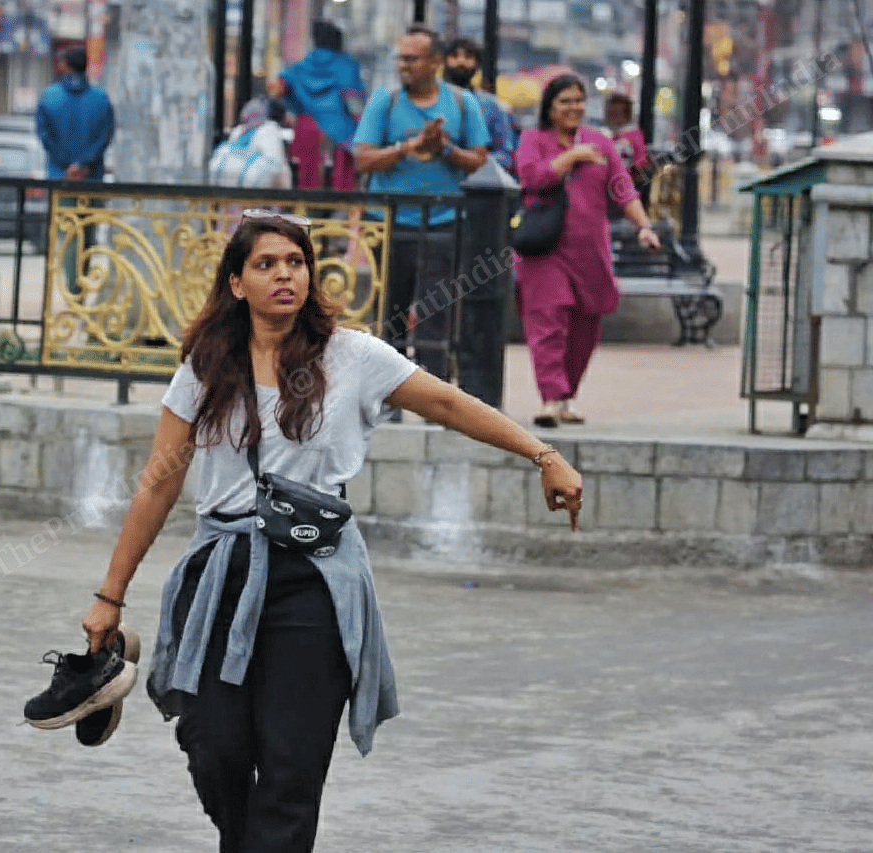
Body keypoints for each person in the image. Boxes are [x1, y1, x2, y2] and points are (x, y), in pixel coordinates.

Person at [81, 210, 584, 853]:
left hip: (315, 580)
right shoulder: (207, 367)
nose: (284, 276)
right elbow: (157, 484)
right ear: (237, 283)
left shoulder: (354, 356)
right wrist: (110, 594)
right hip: (222, 574)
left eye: (295, 263)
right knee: (213, 747)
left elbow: (451, 404)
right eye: (265, 264)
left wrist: (543, 454)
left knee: (292, 771)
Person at [514, 75, 662, 428]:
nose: (573, 107)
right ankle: (550, 397)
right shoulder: (533, 138)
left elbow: (623, 190)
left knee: (585, 326)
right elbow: (531, 178)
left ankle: (566, 397)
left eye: (579, 100)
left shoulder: (601, 143)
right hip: (544, 249)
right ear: (549, 106)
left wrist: (644, 226)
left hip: (590, 251)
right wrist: (571, 157)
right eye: (565, 101)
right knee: (548, 320)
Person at [352, 24, 490, 383]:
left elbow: (479, 160)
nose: (404, 66)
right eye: (401, 58)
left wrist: (443, 149)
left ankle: (433, 392)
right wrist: (410, 146)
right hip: (390, 222)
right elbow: (363, 159)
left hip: (444, 222)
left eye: (412, 59)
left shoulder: (462, 102)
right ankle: (388, 393)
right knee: (390, 310)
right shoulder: (386, 101)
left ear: (435, 62)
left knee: (436, 311)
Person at [35, 45, 115, 289]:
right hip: (92, 180)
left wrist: (68, 166)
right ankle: (80, 286)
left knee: (67, 235)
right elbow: (105, 136)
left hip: (62, 180)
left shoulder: (49, 97)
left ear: (64, 65)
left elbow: (45, 136)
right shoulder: (101, 99)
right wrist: (84, 164)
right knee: (88, 235)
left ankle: (72, 292)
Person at [268, 20, 366, 192]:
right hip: (341, 133)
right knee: (340, 188)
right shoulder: (347, 65)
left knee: (306, 184)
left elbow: (277, 88)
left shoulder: (302, 64)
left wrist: (296, 107)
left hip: (307, 129)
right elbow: (355, 105)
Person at [444, 36, 517, 177]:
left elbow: (506, 156)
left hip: (478, 186)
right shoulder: (429, 101)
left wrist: (471, 160)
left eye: (468, 56)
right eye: (454, 56)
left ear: (477, 64)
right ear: (443, 61)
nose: (461, 61)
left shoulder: (490, 105)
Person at [208, 98, 293, 190]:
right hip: (258, 194)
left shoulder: (238, 131)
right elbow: (277, 167)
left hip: (230, 193)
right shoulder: (269, 130)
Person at [604, 91, 648, 204]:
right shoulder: (621, 135)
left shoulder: (628, 138)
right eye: (609, 113)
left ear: (627, 115)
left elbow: (638, 166)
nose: (610, 117)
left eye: (614, 114)